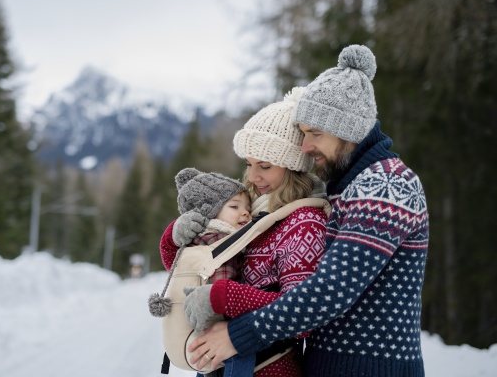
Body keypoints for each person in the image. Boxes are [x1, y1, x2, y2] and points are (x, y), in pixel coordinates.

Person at [186, 44, 430, 377]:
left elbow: (331, 291)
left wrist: (237, 336)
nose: (305, 147)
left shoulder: (386, 186)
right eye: (303, 134)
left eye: (315, 133)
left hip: (371, 368)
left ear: (350, 130)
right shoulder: (347, 187)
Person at [159, 87, 330, 377]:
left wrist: (223, 296)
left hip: (267, 368)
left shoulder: (304, 224)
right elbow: (192, 269)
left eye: (264, 166)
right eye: (249, 164)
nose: (252, 176)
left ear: (292, 167)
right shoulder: (251, 212)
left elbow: (304, 316)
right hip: (224, 365)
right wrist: (174, 236)